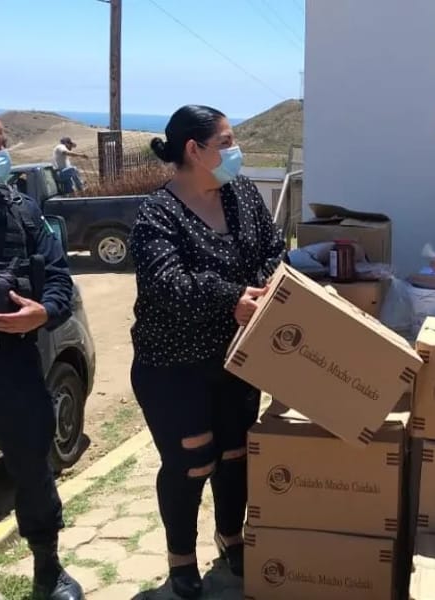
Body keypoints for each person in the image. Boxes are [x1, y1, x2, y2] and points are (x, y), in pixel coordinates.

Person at [129, 105, 286, 598]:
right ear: (194, 150)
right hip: (174, 366)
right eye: (227, 141)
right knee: (192, 464)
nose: (235, 152)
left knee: (237, 456)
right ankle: (181, 559)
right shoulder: (158, 212)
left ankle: (232, 538)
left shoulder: (241, 195)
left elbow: (273, 249)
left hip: (239, 357)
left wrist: (257, 293)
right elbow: (164, 282)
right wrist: (231, 298)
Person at [0, 118, 83, 599]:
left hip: (14, 366)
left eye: (2, 143)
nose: (1, 153)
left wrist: (42, 313)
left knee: (32, 466)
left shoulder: (23, 212)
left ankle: (48, 570)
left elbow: (58, 281)